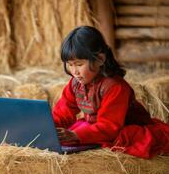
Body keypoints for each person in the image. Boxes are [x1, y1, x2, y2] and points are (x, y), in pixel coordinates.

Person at [52, 26, 169, 159]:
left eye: (79, 64)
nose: (74, 72)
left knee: (122, 139)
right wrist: (48, 128)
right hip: (97, 127)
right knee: (72, 131)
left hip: (123, 129)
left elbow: (108, 127)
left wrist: (76, 135)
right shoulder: (75, 84)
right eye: (70, 65)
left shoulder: (116, 87)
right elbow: (62, 113)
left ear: (100, 59)